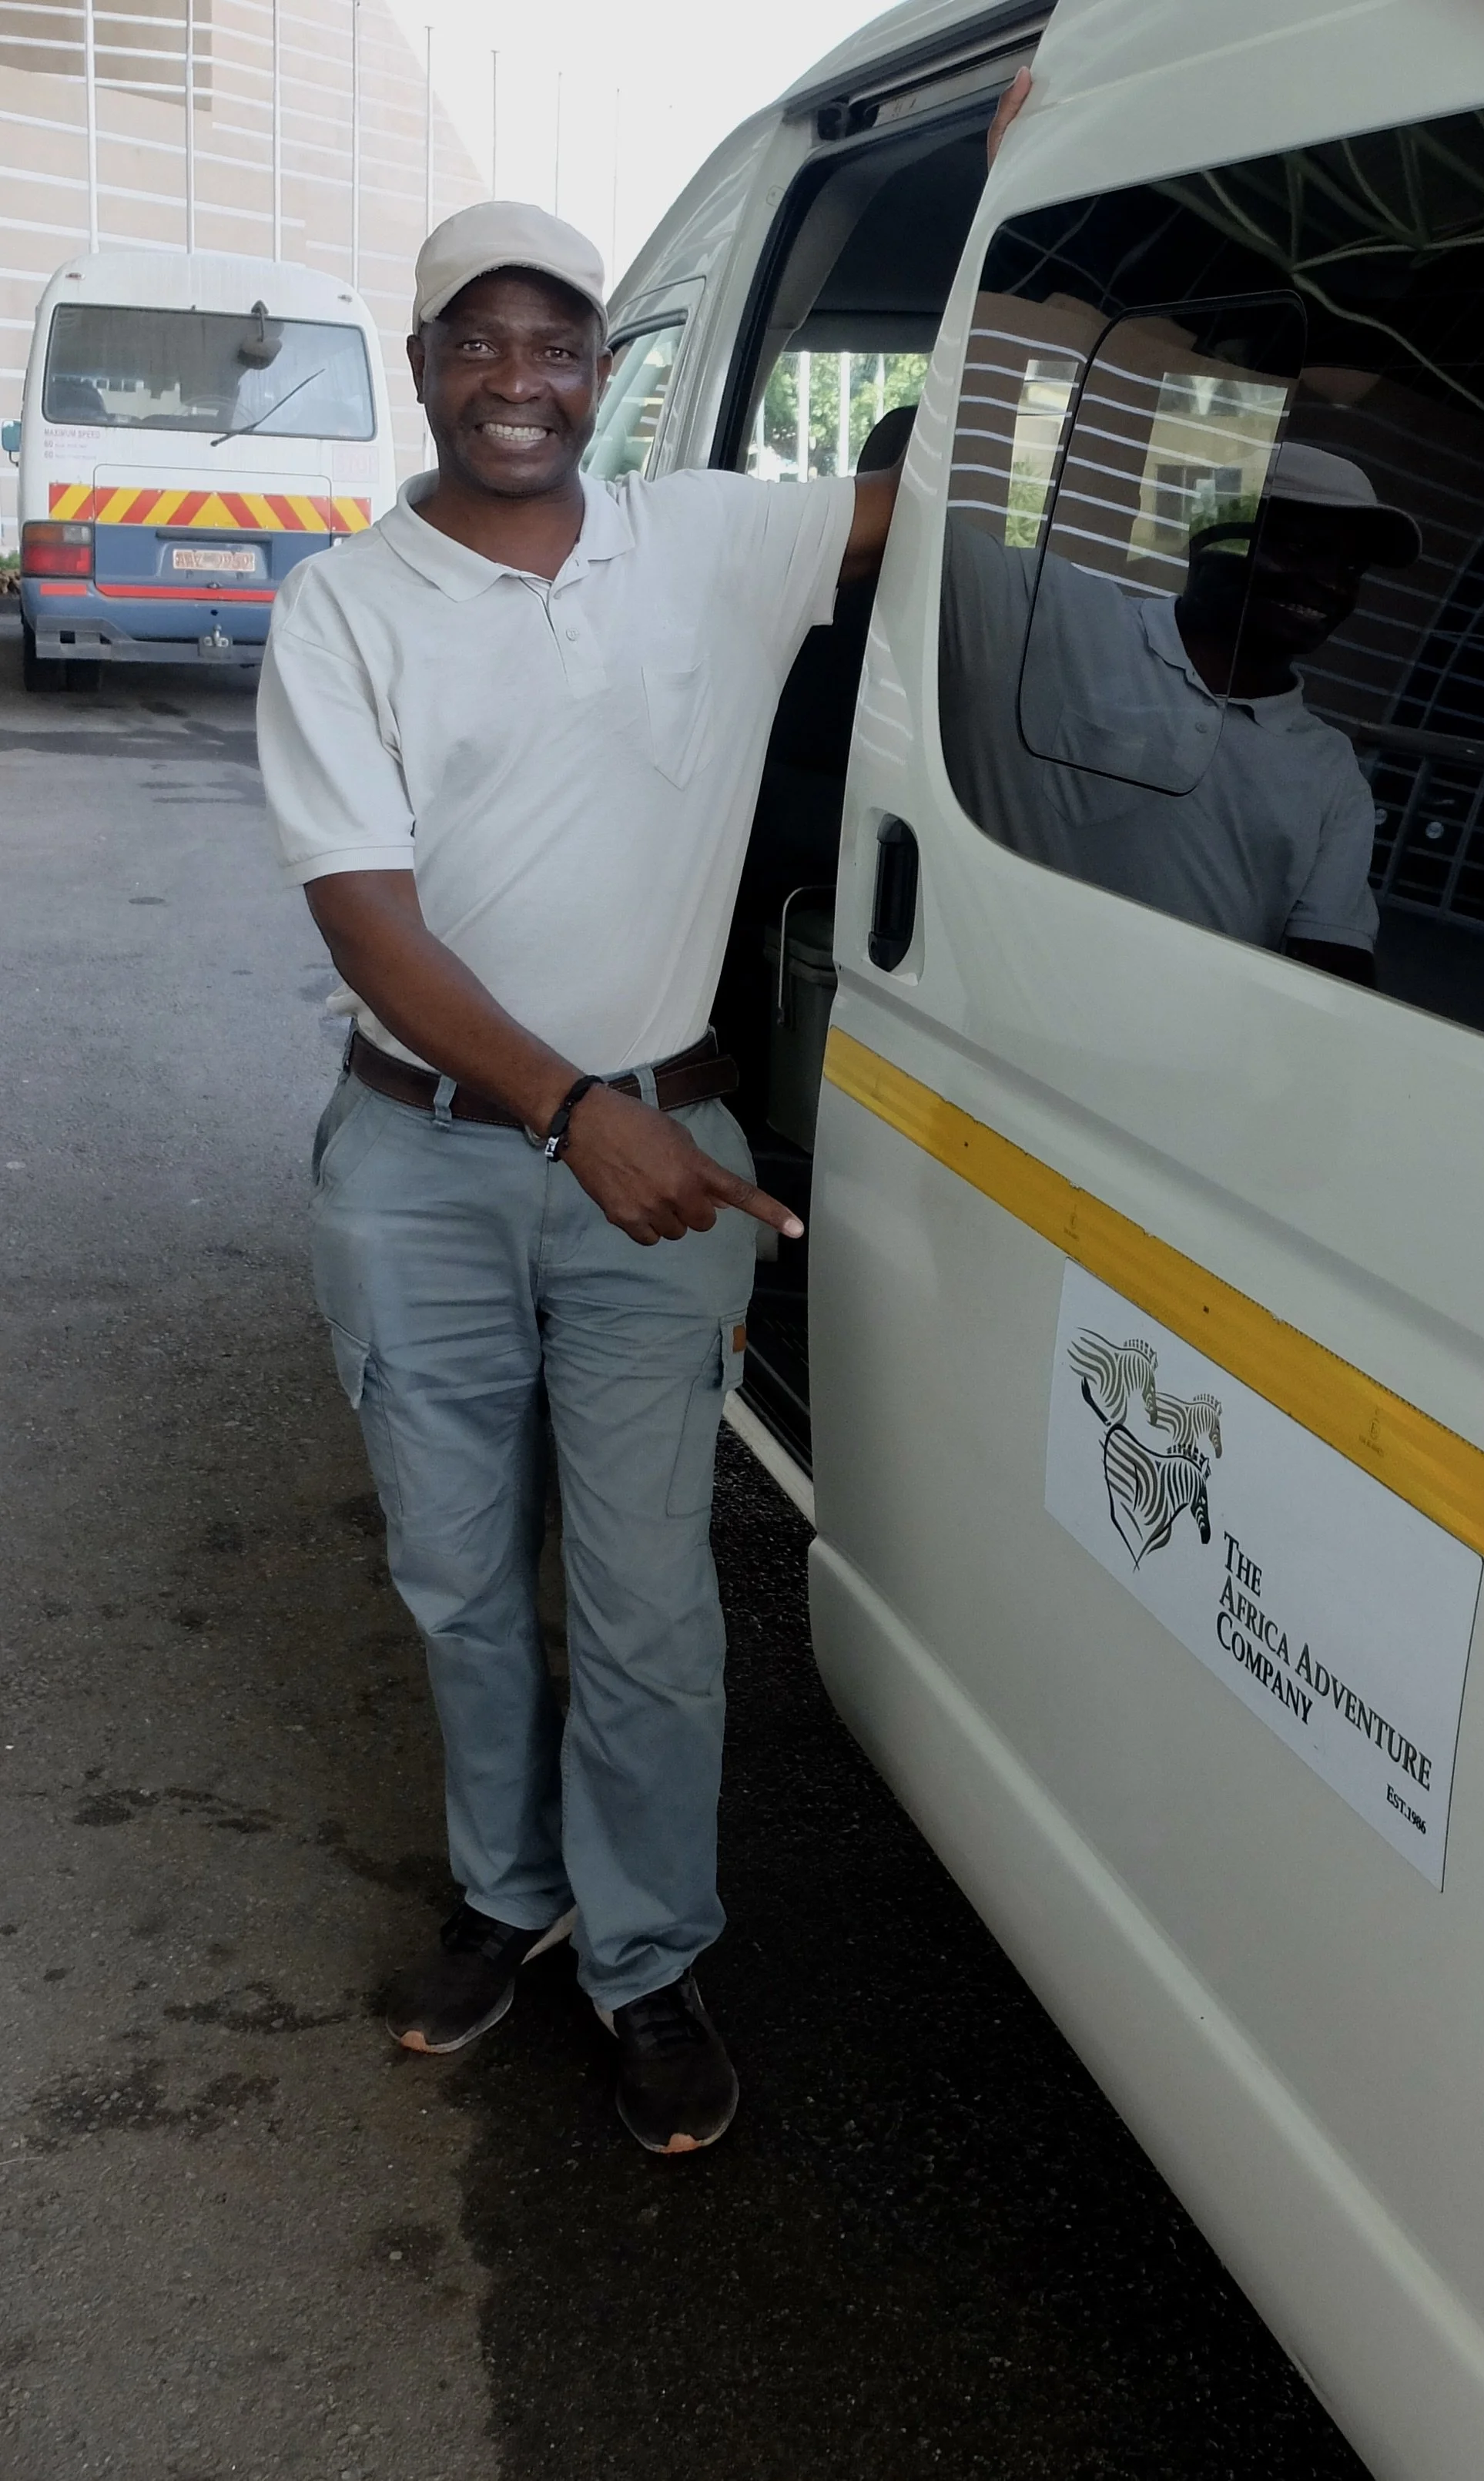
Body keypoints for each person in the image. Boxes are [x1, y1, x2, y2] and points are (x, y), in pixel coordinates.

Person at [255, 193, 914, 2157]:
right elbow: (365, 918)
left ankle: (642, 1956)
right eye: (480, 342)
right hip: (426, 1164)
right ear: (424, 366)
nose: (518, 381)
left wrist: (1045, 222)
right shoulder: (342, 606)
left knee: (645, 1607)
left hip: (662, 1153)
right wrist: (565, 1109)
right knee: (462, 1580)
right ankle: (506, 1896)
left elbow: (934, 472)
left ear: (602, 371)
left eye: (557, 346)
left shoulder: (709, 537)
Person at [940, 438, 1423, 983]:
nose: (1332, 583)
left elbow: (1334, 970)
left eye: (1352, 568)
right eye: (1301, 548)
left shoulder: (1331, 771)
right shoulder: (1050, 617)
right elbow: (901, 524)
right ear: (1209, 537)